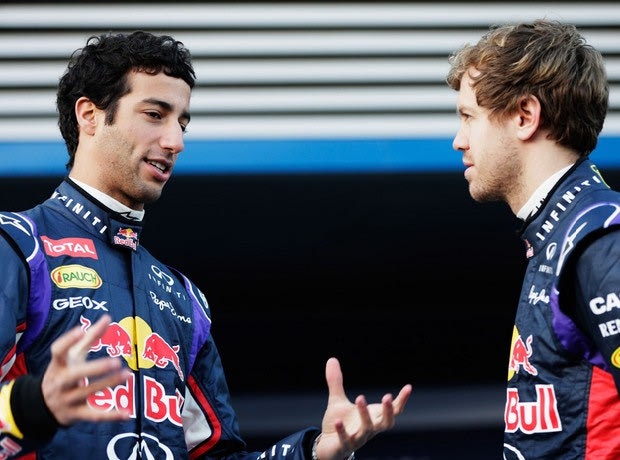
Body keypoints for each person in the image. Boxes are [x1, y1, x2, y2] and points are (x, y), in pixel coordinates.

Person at [0, 31, 411, 459]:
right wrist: (28, 408)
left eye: (181, 124)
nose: (175, 142)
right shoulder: (18, 246)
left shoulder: (183, 297)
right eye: (155, 115)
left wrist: (314, 452)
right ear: (89, 115)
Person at [448, 20, 620, 459]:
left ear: (525, 116)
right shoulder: (561, 234)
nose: (458, 141)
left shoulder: (598, 239)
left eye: (468, 117)